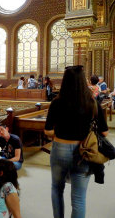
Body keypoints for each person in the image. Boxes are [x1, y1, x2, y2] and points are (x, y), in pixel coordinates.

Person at [44, 65, 108, 218]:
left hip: (59, 148)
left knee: (57, 189)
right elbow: (104, 132)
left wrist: (60, 133)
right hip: (83, 151)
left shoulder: (56, 102)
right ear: (82, 81)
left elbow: (47, 131)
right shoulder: (92, 103)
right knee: (79, 198)